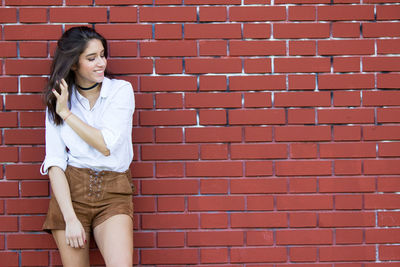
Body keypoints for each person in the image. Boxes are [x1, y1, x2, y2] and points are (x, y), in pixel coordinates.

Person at [40, 26, 135, 267]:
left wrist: (67, 114)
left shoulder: (120, 91)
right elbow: (55, 163)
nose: (101, 62)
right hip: (71, 194)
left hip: (114, 192)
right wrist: (69, 218)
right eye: (91, 58)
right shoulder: (59, 99)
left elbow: (106, 145)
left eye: (102, 55)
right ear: (74, 64)